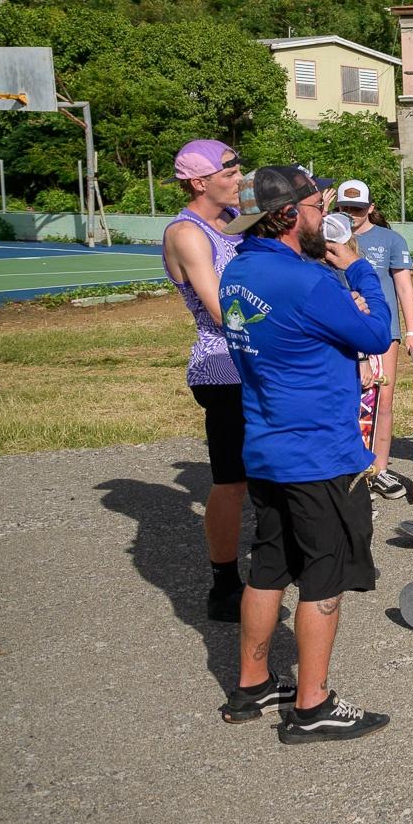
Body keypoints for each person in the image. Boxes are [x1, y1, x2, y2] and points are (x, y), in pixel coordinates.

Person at [215, 165, 395, 743]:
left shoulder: (238, 271)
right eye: (318, 206)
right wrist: (361, 271)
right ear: (290, 215)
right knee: (325, 574)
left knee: (268, 568)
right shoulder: (310, 282)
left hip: (265, 447)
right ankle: (312, 705)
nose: (326, 218)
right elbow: (374, 336)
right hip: (320, 454)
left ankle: (253, 684)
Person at [160, 140, 250, 621]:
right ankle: (224, 582)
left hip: (259, 357)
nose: (240, 176)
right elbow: (222, 311)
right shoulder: (186, 233)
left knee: (271, 471)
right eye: (230, 169)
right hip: (222, 363)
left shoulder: (236, 216)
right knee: (232, 480)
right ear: (199, 181)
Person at [333, 180, 413, 498]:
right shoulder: (327, 239)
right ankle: (349, 469)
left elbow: (404, 288)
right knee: (348, 401)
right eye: (344, 208)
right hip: (339, 330)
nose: (351, 215)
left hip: (383, 332)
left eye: (357, 209)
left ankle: (379, 469)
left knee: (383, 402)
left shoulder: (391, 240)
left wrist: (411, 333)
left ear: (371, 208)